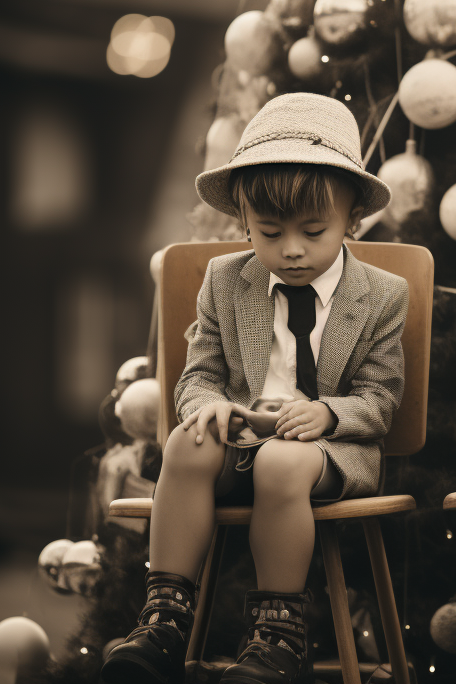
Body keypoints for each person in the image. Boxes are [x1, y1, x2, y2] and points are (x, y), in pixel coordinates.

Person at [101, 93, 408, 684]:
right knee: (188, 444)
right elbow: (199, 374)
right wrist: (210, 407)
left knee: (282, 467)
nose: (291, 250)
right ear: (244, 223)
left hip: (329, 452)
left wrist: (328, 414)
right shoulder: (225, 279)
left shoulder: (382, 295)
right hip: (241, 440)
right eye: (269, 233)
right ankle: (164, 617)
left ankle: (279, 631)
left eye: (312, 232)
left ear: (352, 221)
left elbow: (381, 397)